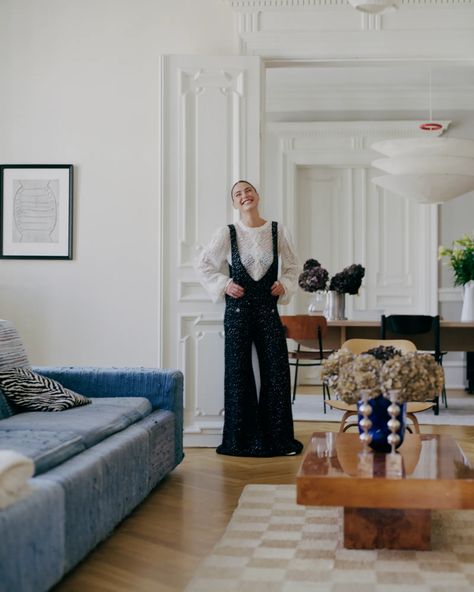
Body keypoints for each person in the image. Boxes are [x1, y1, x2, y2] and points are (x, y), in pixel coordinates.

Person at [195, 180, 303, 457]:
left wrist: (286, 285)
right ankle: (239, 441)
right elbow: (204, 264)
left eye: (248, 190)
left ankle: (278, 440)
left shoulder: (277, 230)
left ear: (258, 195)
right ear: (234, 203)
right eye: (238, 194)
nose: (244, 195)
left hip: (268, 310)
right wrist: (223, 284)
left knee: (276, 373)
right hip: (237, 312)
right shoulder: (227, 233)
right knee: (237, 374)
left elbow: (293, 266)